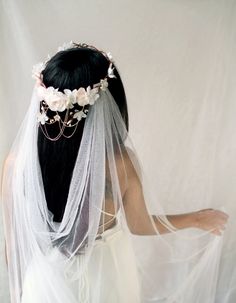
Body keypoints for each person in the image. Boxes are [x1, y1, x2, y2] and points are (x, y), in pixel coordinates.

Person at [1, 41, 228, 303]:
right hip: (106, 278)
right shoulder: (120, 163)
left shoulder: (16, 163)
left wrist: (20, 294)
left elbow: (14, 246)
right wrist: (197, 219)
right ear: (106, 106)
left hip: (44, 283)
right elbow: (139, 224)